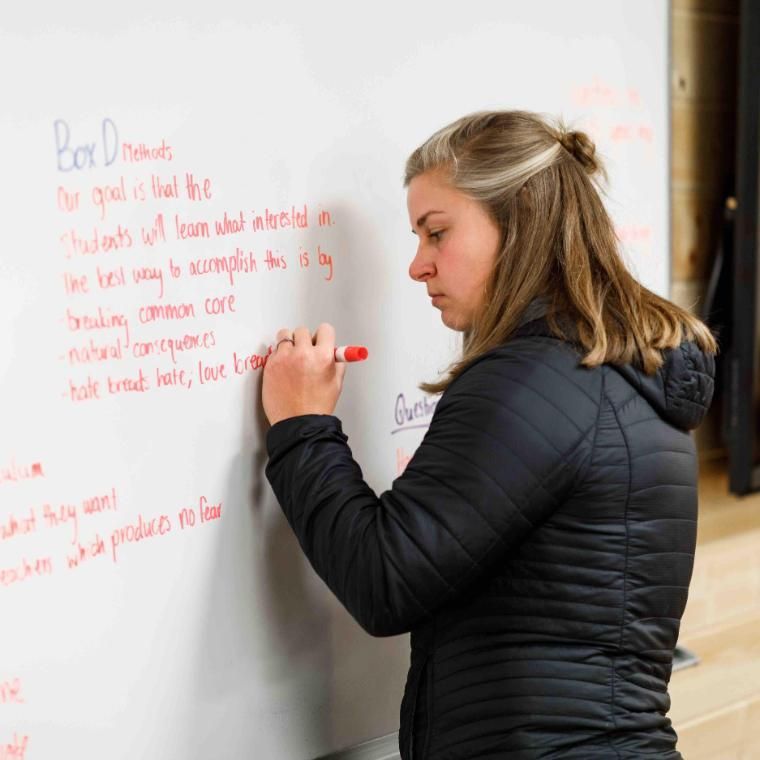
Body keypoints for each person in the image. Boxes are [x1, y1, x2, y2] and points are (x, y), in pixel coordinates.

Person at [261, 111, 716, 759]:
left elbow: (384, 581)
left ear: (521, 217)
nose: (419, 266)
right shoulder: (606, 373)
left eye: (436, 233)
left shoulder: (534, 380)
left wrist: (302, 427)